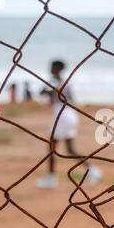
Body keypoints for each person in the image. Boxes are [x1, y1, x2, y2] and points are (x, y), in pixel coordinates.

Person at [36, 60, 102, 188]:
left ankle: (51, 179)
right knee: (70, 149)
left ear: (56, 68)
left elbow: (41, 93)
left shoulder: (53, 81)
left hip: (62, 116)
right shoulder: (66, 82)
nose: (50, 69)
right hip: (71, 114)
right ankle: (93, 170)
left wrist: (47, 89)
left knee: (51, 148)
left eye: (52, 67)